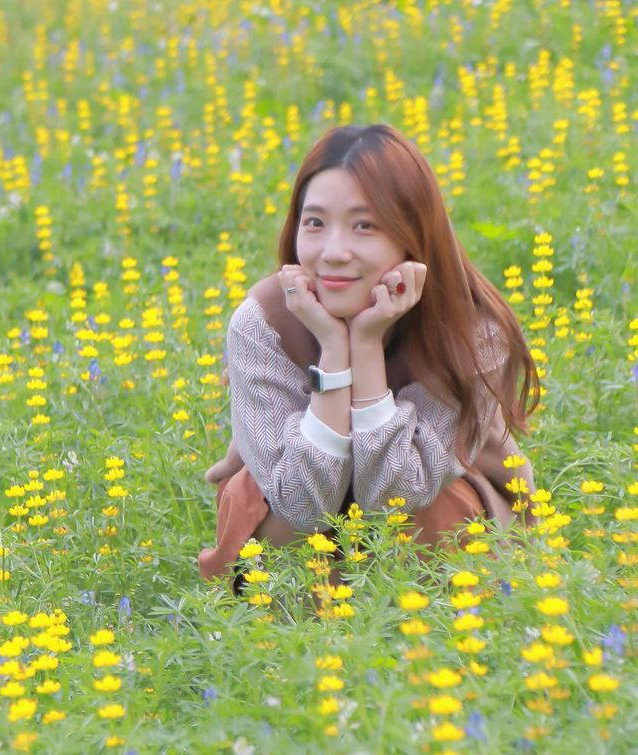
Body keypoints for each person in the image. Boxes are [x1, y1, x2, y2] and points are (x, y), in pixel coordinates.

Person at [198, 122, 540, 591]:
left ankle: (423, 633)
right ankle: (292, 637)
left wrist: (366, 347)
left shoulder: (472, 331)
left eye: (365, 225)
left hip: (430, 516)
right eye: (315, 223)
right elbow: (300, 507)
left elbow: (397, 496)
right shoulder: (263, 322)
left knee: (435, 507)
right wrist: (334, 354)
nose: (334, 253)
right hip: (306, 509)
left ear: (412, 235)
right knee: (271, 505)